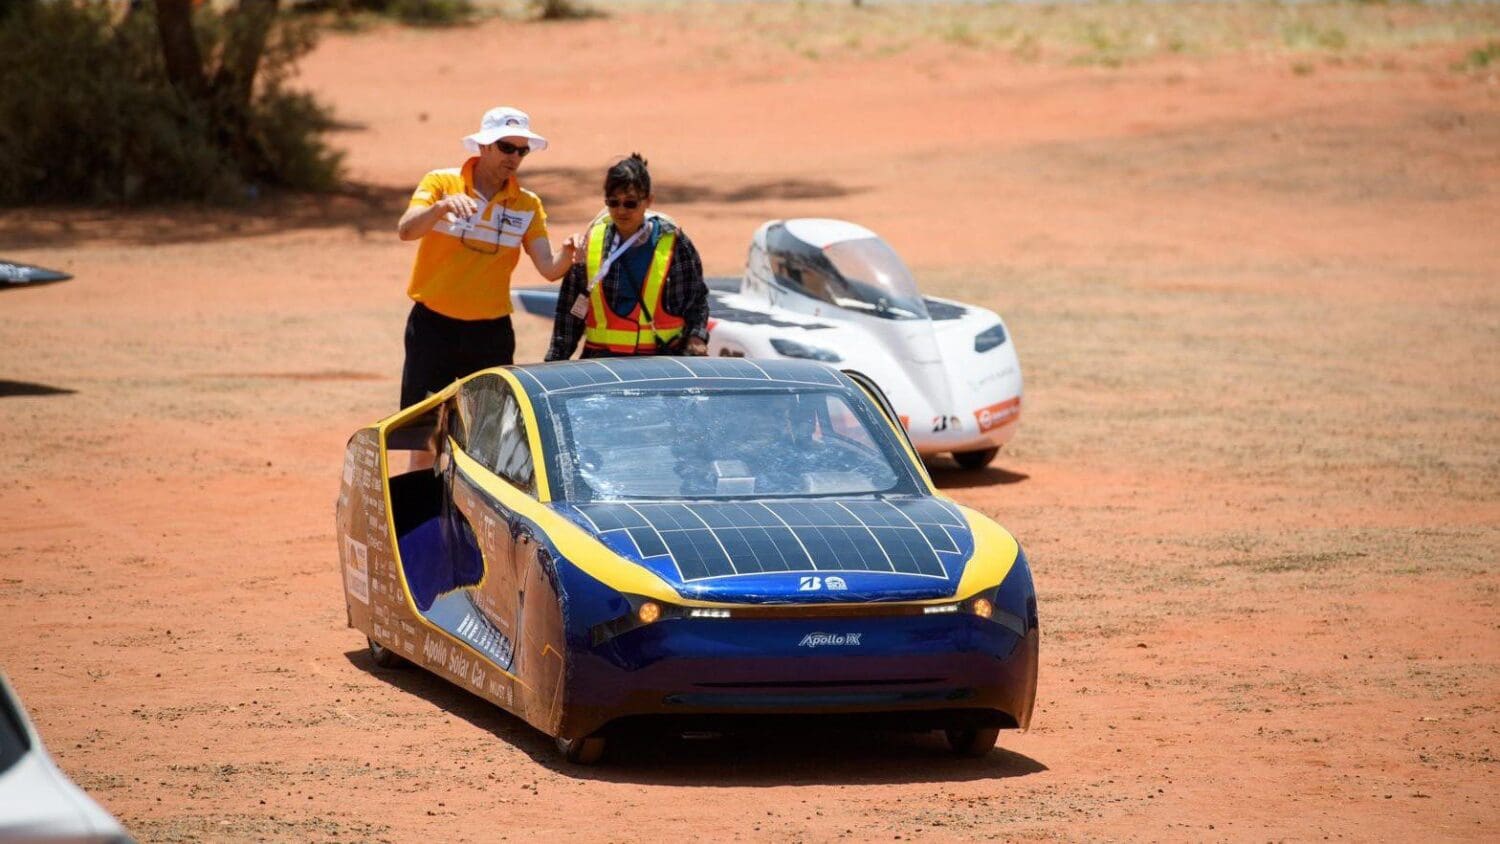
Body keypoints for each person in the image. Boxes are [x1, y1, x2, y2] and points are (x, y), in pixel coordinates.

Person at [396, 106, 576, 409]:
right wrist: (440, 208)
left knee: (489, 426)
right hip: (433, 326)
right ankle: (425, 460)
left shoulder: (527, 204)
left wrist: (570, 254)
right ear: (483, 146)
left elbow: (549, 268)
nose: (514, 158)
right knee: (423, 425)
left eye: (522, 151)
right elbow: (406, 230)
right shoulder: (441, 183)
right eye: (506, 147)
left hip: (490, 333)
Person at [544, 154, 709, 361]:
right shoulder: (591, 242)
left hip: (661, 364)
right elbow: (571, 312)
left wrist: (697, 338)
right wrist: (555, 361)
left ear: (648, 201)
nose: (621, 210)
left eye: (630, 203)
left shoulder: (674, 243)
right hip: (602, 365)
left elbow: (696, 299)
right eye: (613, 203)